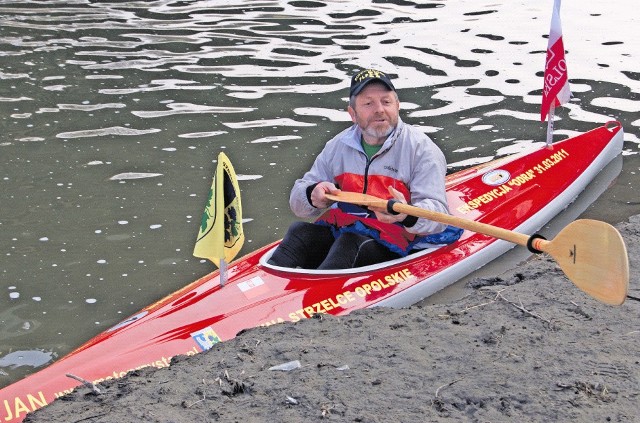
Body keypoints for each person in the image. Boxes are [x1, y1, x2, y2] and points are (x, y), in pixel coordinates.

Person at [268, 68, 462, 270]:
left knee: (349, 245)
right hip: (347, 226)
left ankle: (323, 297)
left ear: (397, 106)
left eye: (386, 102)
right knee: (299, 232)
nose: (379, 109)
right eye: (368, 103)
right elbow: (298, 204)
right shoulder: (337, 147)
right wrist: (312, 195)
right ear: (352, 113)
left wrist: (406, 214)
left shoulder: (422, 149)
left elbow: (438, 216)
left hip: (397, 235)